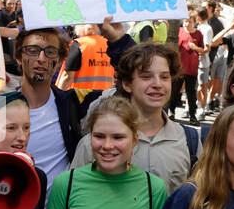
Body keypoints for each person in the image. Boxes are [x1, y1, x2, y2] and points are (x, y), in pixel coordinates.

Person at [71, 42, 196, 192]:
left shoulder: (189, 140)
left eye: (164, 77)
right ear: (127, 84)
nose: (157, 84)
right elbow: (74, 197)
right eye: (146, 76)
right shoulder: (95, 143)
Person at [13, 28, 83, 186]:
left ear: (59, 61)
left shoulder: (71, 104)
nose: (41, 58)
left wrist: (117, 40)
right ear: (18, 57)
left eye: (50, 52)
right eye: (32, 51)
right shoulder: (1, 109)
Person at [57, 23, 114, 103]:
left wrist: (57, 96)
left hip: (80, 99)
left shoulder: (78, 44)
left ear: (80, 27)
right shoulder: (108, 45)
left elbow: (67, 76)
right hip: (105, 98)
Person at [171, 8, 205, 123]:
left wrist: (195, 48)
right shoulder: (179, 31)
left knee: (191, 94)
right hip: (179, 68)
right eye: (185, 21)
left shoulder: (198, 34)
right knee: (174, 91)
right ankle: (171, 112)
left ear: (194, 22)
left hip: (192, 69)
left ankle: (192, 116)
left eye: (190, 21)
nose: (187, 24)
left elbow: (203, 49)